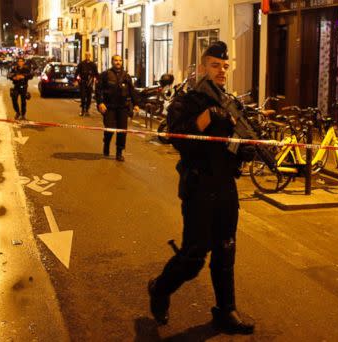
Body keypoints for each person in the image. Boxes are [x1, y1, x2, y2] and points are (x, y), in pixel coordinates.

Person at [147, 41, 256, 335]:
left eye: (225, 66)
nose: (221, 71)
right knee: (194, 255)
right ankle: (160, 288)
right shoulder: (188, 101)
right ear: (202, 67)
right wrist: (206, 118)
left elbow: (234, 144)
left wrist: (243, 150)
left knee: (226, 250)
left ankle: (226, 310)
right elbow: (175, 137)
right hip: (198, 186)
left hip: (225, 187)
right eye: (215, 65)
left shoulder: (231, 102)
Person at [95, 55, 138, 161]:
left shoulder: (126, 76)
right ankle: (106, 143)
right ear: (112, 62)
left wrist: (136, 104)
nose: (118, 62)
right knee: (109, 129)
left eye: (120, 60)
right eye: (116, 60)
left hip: (123, 107)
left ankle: (119, 152)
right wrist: (100, 103)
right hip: (109, 107)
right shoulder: (105, 75)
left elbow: (132, 91)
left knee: (122, 131)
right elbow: (98, 90)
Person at [75, 52, 99, 116]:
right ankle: (82, 110)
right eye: (86, 55)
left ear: (90, 56)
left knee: (89, 97)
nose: (87, 56)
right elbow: (77, 72)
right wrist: (76, 80)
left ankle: (87, 110)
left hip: (90, 83)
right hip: (83, 82)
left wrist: (97, 79)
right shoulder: (81, 64)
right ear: (85, 56)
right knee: (83, 96)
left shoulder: (93, 64)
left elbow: (96, 73)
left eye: (89, 55)